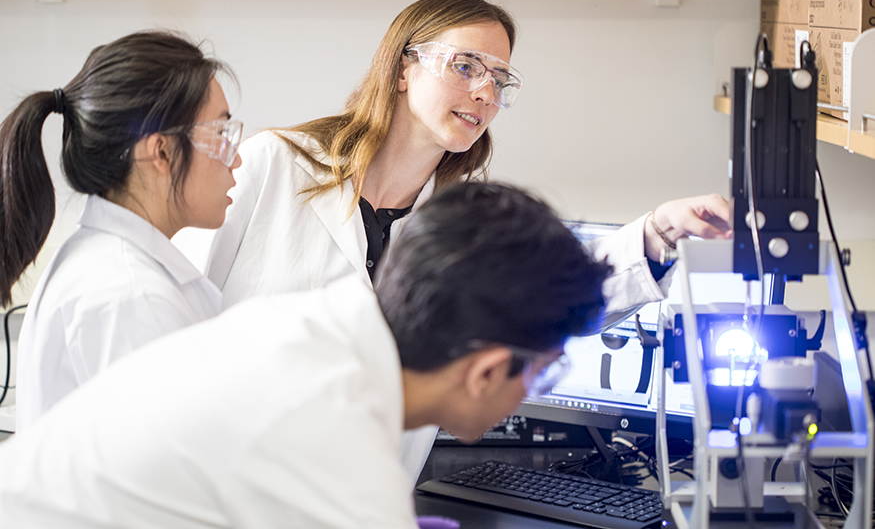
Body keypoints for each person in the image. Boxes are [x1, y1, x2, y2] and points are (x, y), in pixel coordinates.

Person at [175, 0, 731, 481]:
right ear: (402, 69)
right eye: (465, 66)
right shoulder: (274, 165)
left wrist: (660, 232)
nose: (486, 91)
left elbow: (546, 302)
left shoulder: (453, 221)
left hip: (367, 480)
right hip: (222, 475)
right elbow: (172, 318)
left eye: (499, 78)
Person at [0, 182, 611, 529]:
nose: (533, 391)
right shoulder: (335, 442)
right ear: (484, 371)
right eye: (543, 368)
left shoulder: (306, 326)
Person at [0, 31, 244, 431]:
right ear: (161, 152)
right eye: (221, 135)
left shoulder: (110, 266)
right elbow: (168, 477)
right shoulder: (130, 297)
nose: (234, 159)